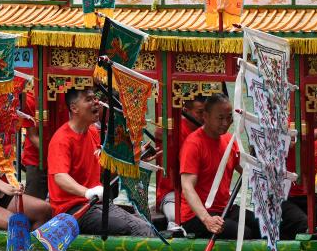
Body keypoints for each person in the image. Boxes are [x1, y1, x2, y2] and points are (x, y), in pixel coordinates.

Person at [47, 88, 153, 236]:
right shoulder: (61, 139)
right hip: (73, 210)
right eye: (88, 100)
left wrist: (133, 161)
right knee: (128, 228)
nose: (96, 102)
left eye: (94, 98)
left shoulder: (92, 132)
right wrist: (87, 192)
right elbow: (60, 177)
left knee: (145, 226)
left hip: (98, 204)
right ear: (74, 108)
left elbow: (104, 173)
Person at [178, 93, 260, 240]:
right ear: (206, 116)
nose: (226, 123)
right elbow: (187, 187)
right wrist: (207, 219)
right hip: (196, 216)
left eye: (229, 117)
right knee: (245, 233)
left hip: (224, 208)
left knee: (260, 224)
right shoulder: (193, 144)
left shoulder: (229, 140)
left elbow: (247, 170)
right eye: (220, 118)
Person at [158, 96, 206, 229]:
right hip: (173, 192)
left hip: (201, 191)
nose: (204, 117)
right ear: (186, 111)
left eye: (206, 112)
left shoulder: (209, 133)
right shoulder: (175, 131)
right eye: (199, 112)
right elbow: (167, 163)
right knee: (175, 219)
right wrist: (164, 141)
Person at [20, 89, 44, 199]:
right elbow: (33, 136)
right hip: (36, 159)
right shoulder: (30, 99)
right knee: (33, 201)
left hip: (60, 157)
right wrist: (56, 154)